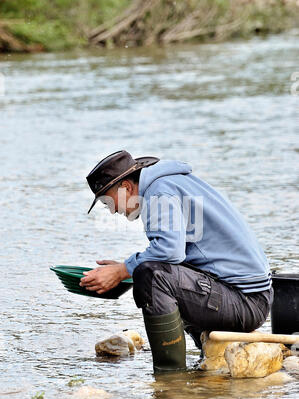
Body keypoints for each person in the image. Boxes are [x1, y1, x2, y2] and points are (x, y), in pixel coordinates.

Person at [81, 150, 273, 373]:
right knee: (148, 272)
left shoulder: (159, 191)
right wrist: (125, 268)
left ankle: (170, 380)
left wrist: (123, 270)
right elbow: (173, 256)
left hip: (246, 301)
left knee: (151, 276)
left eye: (108, 201)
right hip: (250, 296)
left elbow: (169, 252)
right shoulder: (169, 183)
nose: (113, 211)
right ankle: (205, 358)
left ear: (126, 187)